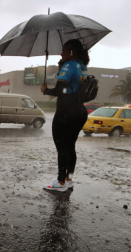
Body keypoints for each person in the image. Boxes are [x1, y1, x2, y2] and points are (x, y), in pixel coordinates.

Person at [40, 39, 89, 192]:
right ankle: (68, 179)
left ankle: (60, 182)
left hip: (66, 111)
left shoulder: (69, 65)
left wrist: (45, 90)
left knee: (61, 146)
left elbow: (59, 90)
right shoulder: (83, 66)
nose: (61, 53)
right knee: (70, 146)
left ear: (72, 52)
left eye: (63, 50)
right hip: (80, 110)